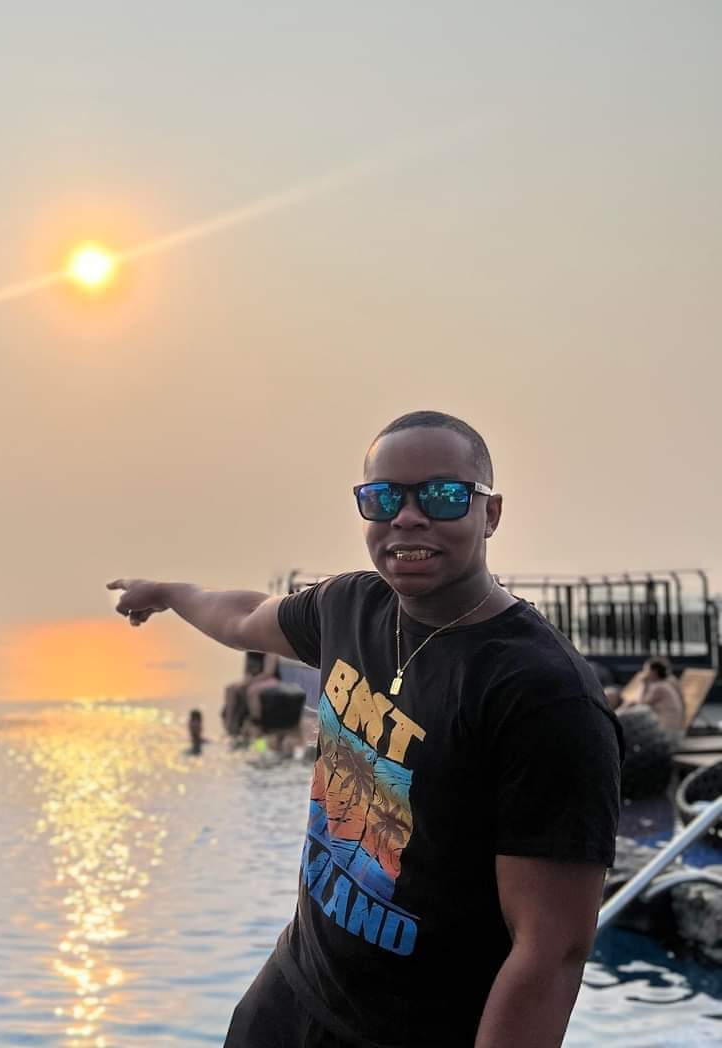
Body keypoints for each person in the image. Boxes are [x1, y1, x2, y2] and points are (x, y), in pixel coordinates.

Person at [109, 410, 621, 1048]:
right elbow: (245, 616)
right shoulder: (350, 607)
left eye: (441, 495)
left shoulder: (541, 695)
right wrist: (169, 592)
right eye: (382, 499)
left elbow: (551, 951)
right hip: (287, 997)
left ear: (490, 514)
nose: (407, 517)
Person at [617, 656, 685, 734]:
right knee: (630, 709)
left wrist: (643, 683)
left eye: (646, 670)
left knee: (630, 715)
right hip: (670, 729)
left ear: (653, 672)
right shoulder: (663, 685)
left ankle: (615, 719)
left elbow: (641, 702)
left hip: (667, 732)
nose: (643, 673)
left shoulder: (660, 687)